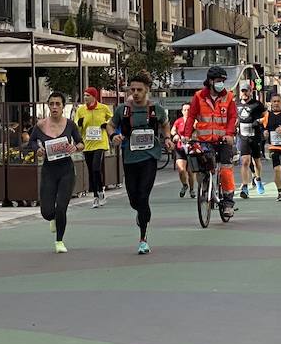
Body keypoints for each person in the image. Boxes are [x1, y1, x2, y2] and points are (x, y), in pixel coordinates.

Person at [112, 73, 169, 254]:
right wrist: (115, 136)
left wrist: (167, 138)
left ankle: (143, 238)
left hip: (150, 157)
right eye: (133, 90)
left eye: (139, 90)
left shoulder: (155, 109)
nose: (135, 93)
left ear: (147, 91)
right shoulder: (123, 109)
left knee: (143, 195)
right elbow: (110, 125)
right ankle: (141, 212)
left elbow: (165, 123)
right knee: (134, 199)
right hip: (129, 158)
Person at [29, 91, 83, 253]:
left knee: (61, 207)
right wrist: (37, 149)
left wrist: (75, 147)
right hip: (49, 171)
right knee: (47, 212)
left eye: (57, 104)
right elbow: (31, 142)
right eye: (51, 104)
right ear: (48, 106)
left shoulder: (70, 124)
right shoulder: (40, 125)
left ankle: (59, 241)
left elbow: (81, 143)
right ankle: (52, 219)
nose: (54, 107)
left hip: (66, 169)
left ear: (62, 106)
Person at [183, 65, 239, 219]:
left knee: (226, 170)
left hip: (223, 141)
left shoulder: (228, 97)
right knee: (201, 167)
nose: (222, 83)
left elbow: (233, 117)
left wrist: (229, 134)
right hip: (204, 141)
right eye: (219, 80)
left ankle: (228, 203)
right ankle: (205, 186)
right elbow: (191, 116)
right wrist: (187, 135)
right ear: (210, 81)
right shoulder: (199, 96)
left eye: (223, 81)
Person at [74, 87, 113, 207]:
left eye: (87, 95)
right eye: (84, 95)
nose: (85, 97)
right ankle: (96, 195)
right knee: (91, 170)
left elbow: (111, 119)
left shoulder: (103, 108)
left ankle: (101, 191)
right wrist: (79, 124)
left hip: (100, 142)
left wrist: (106, 124)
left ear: (94, 96)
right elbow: (77, 128)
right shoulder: (81, 110)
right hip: (87, 144)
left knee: (96, 167)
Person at [235, 84, 266, 198]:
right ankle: (244, 187)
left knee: (256, 161)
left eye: (246, 91)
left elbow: (265, 116)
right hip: (243, 136)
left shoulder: (257, 104)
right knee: (245, 161)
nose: (244, 93)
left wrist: (258, 121)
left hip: (255, 135)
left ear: (250, 91)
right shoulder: (236, 104)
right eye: (242, 91)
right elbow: (234, 117)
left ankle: (258, 179)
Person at [261, 91, 281, 201]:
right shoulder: (267, 115)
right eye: (274, 101)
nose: (276, 103)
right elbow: (264, 128)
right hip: (273, 146)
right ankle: (280, 192)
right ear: (270, 103)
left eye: (278, 101)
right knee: (277, 169)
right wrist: (264, 132)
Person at [171, 103, 195, 198]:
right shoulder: (178, 121)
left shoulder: (195, 121)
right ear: (182, 111)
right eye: (184, 110)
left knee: (190, 171)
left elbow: (198, 130)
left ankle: (192, 189)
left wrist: (192, 137)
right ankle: (185, 185)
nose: (186, 112)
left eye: (188, 110)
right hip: (180, 147)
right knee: (181, 170)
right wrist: (175, 135)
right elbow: (173, 130)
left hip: (191, 148)